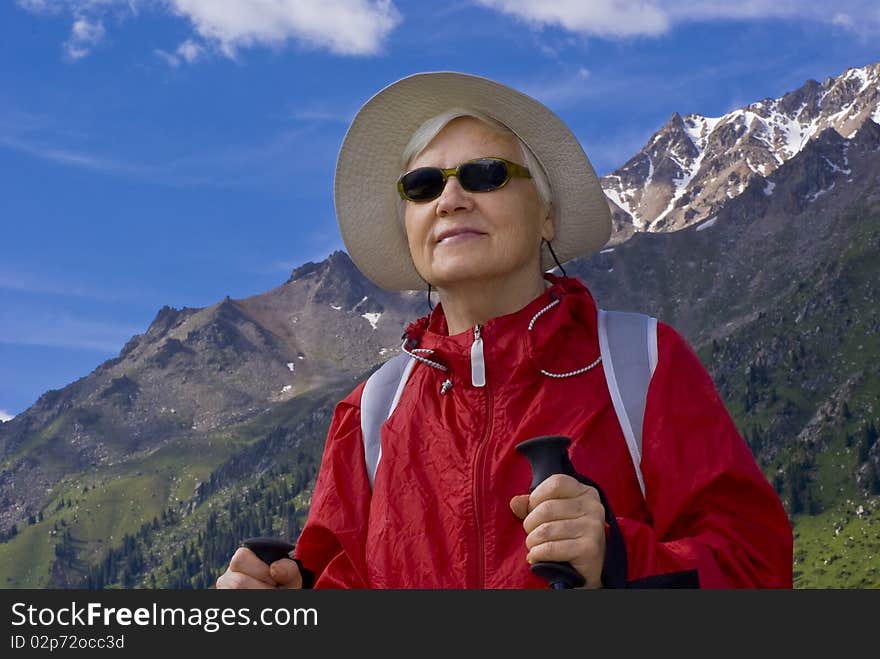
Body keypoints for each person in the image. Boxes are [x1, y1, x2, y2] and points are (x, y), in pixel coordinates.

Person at [216, 71, 793, 590]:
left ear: (546, 214)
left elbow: (755, 567)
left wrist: (618, 558)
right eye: (421, 186)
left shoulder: (642, 363)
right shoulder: (371, 412)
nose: (449, 199)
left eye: (485, 175)